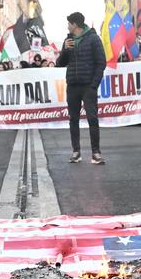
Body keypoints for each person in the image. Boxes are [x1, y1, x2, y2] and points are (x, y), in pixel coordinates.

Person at [56, 11, 107, 165]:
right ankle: (76, 152)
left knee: (92, 119)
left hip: (87, 87)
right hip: (72, 85)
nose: (67, 26)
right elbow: (60, 63)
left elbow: (101, 63)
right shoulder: (68, 40)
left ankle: (96, 153)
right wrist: (65, 50)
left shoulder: (93, 38)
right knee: (73, 119)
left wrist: (93, 85)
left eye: (69, 23)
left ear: (75, 25)